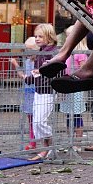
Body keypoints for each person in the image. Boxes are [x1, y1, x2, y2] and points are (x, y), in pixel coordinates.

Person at [24, 23, 60, 160]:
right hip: (38, 90)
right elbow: (38, 72)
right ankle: (47, 147)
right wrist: (31, 78)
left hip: (48, 91)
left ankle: (49, 143)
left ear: (49, 37)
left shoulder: (52, 52)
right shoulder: (41, 52)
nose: (37, 39)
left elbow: (58, 69)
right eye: (36, 36)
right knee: (36, 122)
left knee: (40, 121)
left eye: (40, 36)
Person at [10, 36, 39, 150]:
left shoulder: (37, 62)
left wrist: (16, 66)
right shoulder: (28, 61)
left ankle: (35, 141)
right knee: (30, 118)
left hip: (35, 92)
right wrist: (17, 65)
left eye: (29, 49)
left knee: (36, 118)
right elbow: (24, 76)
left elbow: (26, 77)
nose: (27, 52)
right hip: (28, 92)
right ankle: (33, 141)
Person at [59, 48, 88, 150]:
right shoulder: (67, 53)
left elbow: (83, 70)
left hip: (76, 87)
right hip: (67, 86)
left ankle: (77, 143)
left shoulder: (80, 54)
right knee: (68, 115)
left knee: (76, 115)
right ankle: (70, 141)